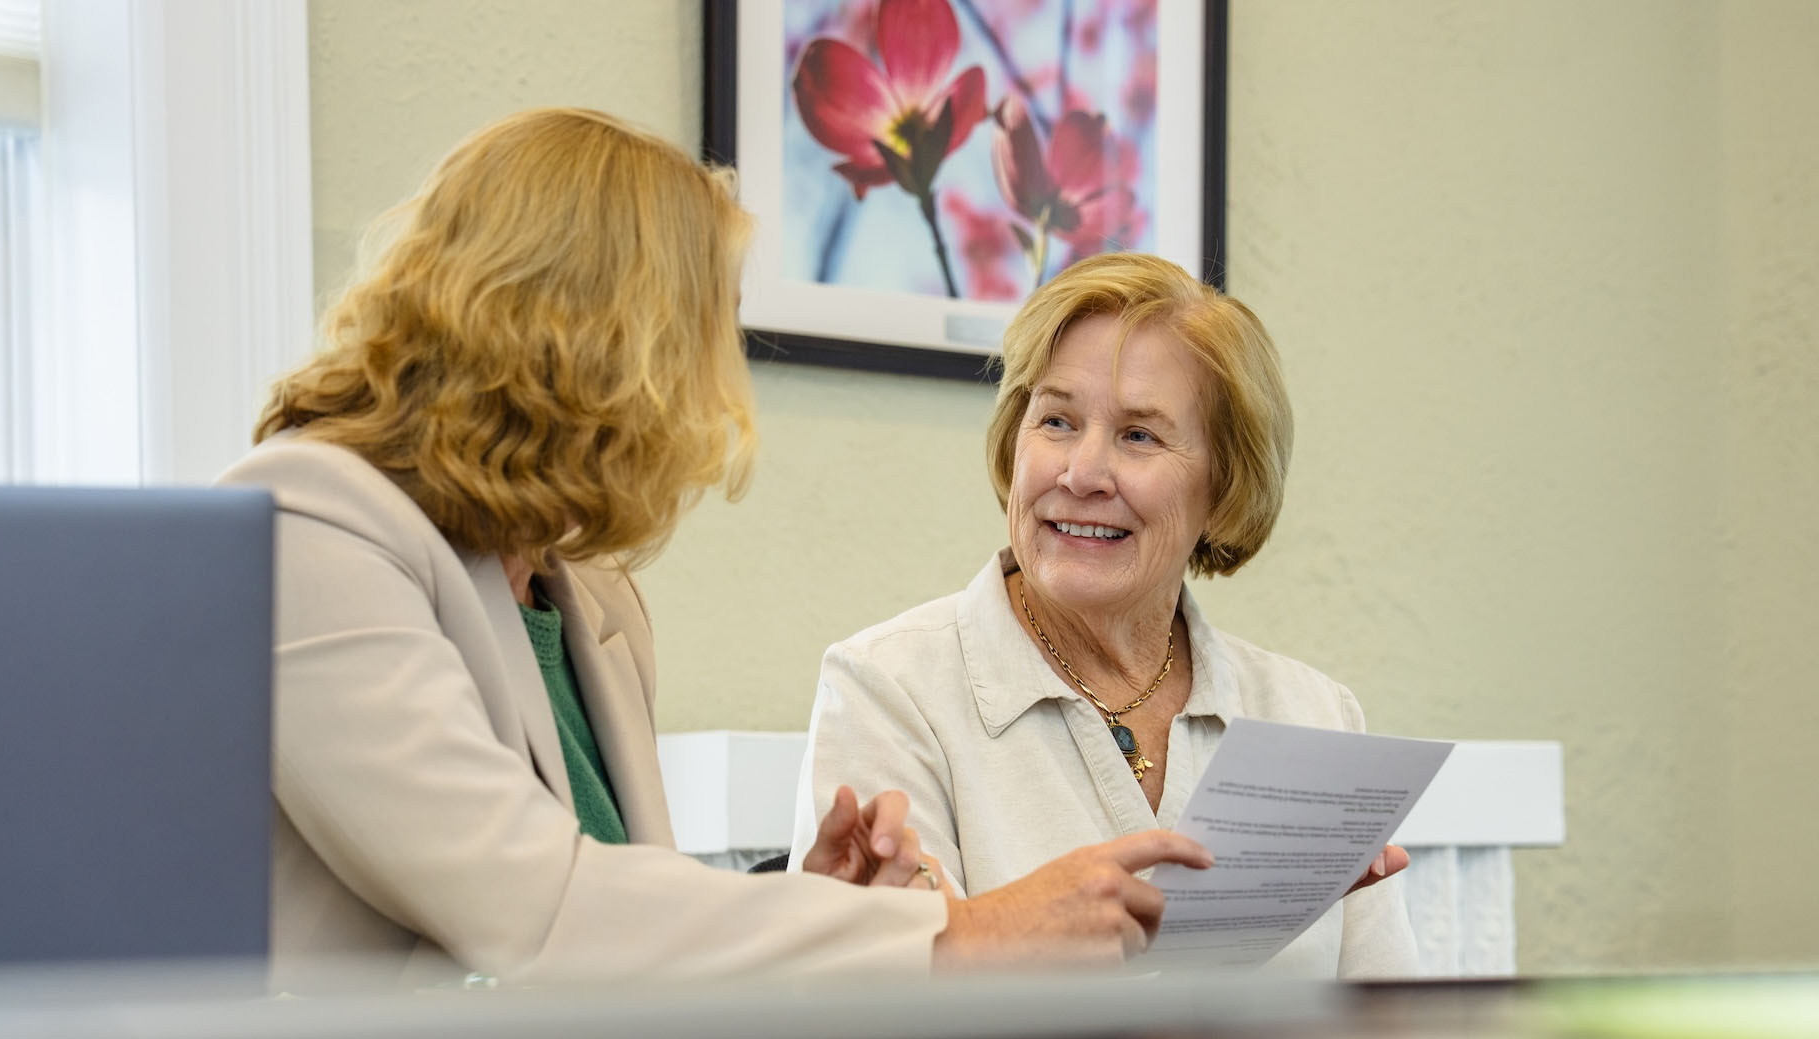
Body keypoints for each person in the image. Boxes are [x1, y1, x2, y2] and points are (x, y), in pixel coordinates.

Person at [218, 109, 1212, 988]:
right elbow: (534, 908)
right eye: (705, 326)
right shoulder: (307, 524)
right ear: (593, 337)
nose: (716, 372)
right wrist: (958, 931)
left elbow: (620, 928)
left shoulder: (588, 593)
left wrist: (825, 908)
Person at [789, 252, 1419, 978]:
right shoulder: (888, 689)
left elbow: (1389, 1028)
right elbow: (878, 1023)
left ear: (1225, 485)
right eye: (1056, 420)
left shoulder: (1313, 714)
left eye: (1139, 435)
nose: (1081, 474)